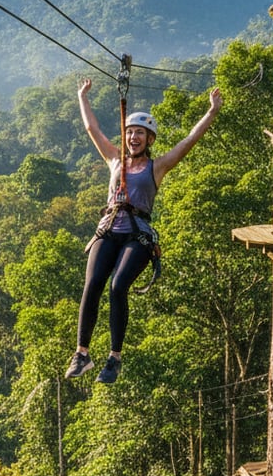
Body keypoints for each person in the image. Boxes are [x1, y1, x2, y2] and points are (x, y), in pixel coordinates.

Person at [65, 78, 223, 384]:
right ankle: (82, 354)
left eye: (139, 133)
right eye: (130, 132)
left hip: (137, 235)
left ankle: (114, 358)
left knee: (117, 286)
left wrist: (211, 112)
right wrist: (81, 96)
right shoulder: (114, 160)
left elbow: (189, 141)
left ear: (149, 140)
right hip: (109, 229)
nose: (133, 137)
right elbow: (91, 130)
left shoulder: (157, 167)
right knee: (93, 283)